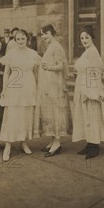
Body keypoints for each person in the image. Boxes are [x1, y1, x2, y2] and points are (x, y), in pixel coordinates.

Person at [0, 29, 41, 162]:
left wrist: (38, 88)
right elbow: (6, 73)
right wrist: (4, 89)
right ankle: (8, 145)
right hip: (13, 87)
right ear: (15, 40)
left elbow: (37, 73)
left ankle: (23, 141)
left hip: (28, 86)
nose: (21, 41)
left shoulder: (33, 54)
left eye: (23, 38)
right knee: (12, 115)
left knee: (25, 115)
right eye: (18, 39)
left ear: (27, 39)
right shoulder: (10, 54)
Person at [72, 26, 104, 159]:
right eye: (82, 38)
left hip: (90, 89)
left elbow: (98, 71)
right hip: (83, 86)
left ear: (92, 37)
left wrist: (93, 91)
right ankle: (89, 143)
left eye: (87, 37)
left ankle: (94, 146)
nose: (84, 40)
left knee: (92, 117)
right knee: (86, 117)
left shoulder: (93, 52)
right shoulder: (86, 51)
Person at [35, 24, 71, 157]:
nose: (44, 36)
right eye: (42, 34)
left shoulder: (57, 47)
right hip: (49, 84)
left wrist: (49, 67)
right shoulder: (50, 46)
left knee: (56, 111)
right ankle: (52, 140)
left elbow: (61, 66)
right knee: (49, 111)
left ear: (52, 33)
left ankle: (57, 142)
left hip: (55, 84)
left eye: (46, 34)